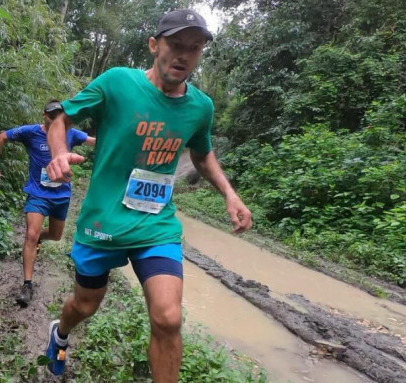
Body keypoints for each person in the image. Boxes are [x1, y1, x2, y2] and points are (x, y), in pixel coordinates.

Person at [42, 10, 253, 382]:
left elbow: (201, 154)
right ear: (155, 46)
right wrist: (58, 153)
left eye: (195, 47)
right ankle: (60, 333)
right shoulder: (118, 83)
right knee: (85, 305)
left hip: (155, 225)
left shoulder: (200, 107)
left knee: (168, 318)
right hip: (102, 222)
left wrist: (229, 194)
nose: (184, 55)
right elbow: (60, 116)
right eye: (176, 44)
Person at [0, 100, 95, 306]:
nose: (55, 120)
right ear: (44, 114)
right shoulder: (30, 132)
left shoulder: (69, 133)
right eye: (52, 115)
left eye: (59, 116)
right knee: (31, 234)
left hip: (61, 195)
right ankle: (27, 284)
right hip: (37, 193)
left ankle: (38, 240)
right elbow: (2, 136)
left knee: (55, 235)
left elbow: (93, 141)